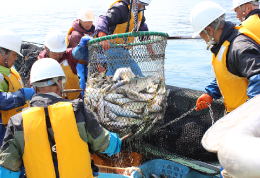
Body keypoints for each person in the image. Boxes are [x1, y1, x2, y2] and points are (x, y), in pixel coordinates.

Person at [0, 58, 121, 178]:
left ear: (34, 88)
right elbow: (106, 144)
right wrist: (117, 142)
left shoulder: (17, 121)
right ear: (59, 85)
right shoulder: (77, 110)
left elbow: (7, 171)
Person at [190, 1, 260, 177]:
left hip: (251, 127)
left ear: (210, 30)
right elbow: (228, 72)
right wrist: (210, 93)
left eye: (201, 34)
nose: (202, 38)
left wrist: (249, 115)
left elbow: (258, 76)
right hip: (238, 121)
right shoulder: (224, 44)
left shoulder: (239, 46)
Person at [93, 0, 154, 77]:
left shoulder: (139, 11)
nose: (140, 6)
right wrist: (102, 35)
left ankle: (109, 86)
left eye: (143, 4)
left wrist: (149, 47)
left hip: (122, 48)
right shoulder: (121, 8)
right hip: (113, 47)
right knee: (136, 74)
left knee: (112, 74)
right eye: (139, 3)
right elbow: (102, 19)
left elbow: (142, 27)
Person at [0, 29, 35, 146]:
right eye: (14, 54)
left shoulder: (10, 71)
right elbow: (2, 101)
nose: (16, 58)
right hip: (3, 132)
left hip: (15, 126)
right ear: (2, 52)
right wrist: (24, 94)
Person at [38, 30, 82, 100]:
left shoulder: (69, 56)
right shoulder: (40, 63)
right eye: (55, 52)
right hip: (53, 104)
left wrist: (81, 49)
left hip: (75, 101)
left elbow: (74, 52)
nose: (58, 55)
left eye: (61, 52)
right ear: (46, 48)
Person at [66, 7, 95, 98]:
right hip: (77, 61)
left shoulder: (93, 30)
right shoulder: (76, 35)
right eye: (86, 21)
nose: (88, 24)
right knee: (81, 80)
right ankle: (82, 99)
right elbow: (79, 55)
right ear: (80, 20)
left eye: (90, 21)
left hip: (91, 58)